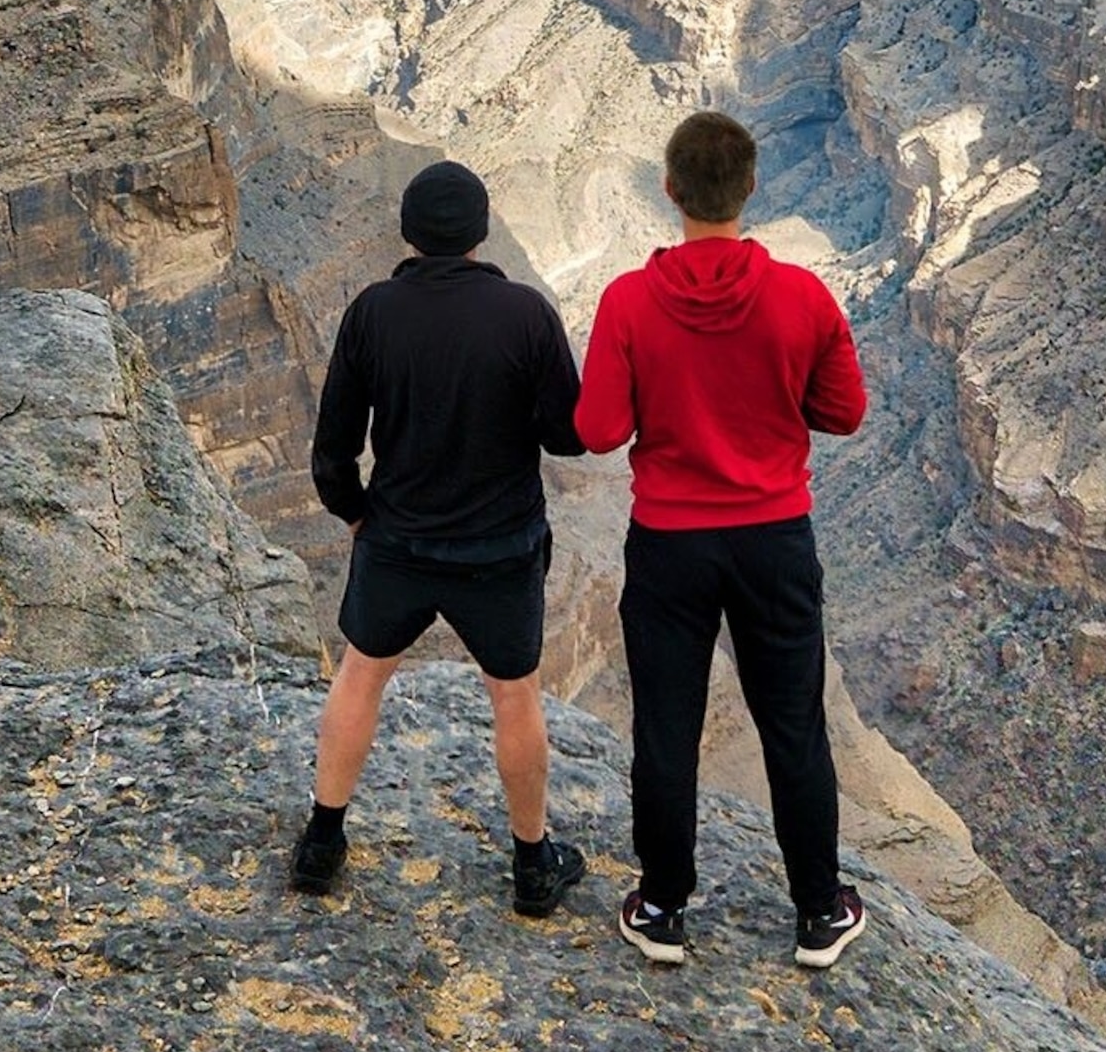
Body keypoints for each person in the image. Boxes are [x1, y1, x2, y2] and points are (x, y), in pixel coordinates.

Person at [575, 109, 871, 971]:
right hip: (773, 539)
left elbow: (597, 430)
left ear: (667, 190)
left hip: (668, 544)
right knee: (794, 726)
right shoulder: (804, 298)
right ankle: (819, 911)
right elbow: (845, 412)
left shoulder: (629, 301)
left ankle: (662, 905)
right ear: (750, 189)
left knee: (666, 728)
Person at [292, 160, 590, 918]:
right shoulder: (525, 315)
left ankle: (322, 844)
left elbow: (332, 449)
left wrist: (356, 513)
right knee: (514, 694)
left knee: (361, 674)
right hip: (500, 548)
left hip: (398, 540)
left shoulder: (372, 312)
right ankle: (532, 864)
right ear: (482, 233)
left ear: (409, 232)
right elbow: (568, 438)